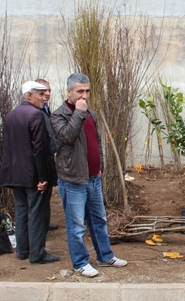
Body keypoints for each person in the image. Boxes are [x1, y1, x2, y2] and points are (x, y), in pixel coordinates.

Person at [50, 73, 127, 278]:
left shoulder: (90, 112)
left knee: (99, 220)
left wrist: (99, 164)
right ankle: (80, 263)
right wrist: (78, 113)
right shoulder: (59, 115)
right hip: (73, 179)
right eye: (80, 91)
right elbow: (66, 137)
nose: (84, 95)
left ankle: (105, 256)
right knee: (76, 225)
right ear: (69, 92)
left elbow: (96, 140)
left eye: (87, 91)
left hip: (93, 178)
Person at [0, 81, 59, 265]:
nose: (44, 97)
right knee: (37, 213)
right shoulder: (35, 115)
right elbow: (39, 150)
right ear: (29, 95)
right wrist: (42, 178)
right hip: (33, 175)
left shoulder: (11, 115)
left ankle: (22, 250)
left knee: (21, 211)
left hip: (15, 174)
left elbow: (7, 147)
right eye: (40, 94)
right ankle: (37, 253)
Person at [35, 79, 58, 231]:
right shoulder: (35, 112)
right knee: (40, 194)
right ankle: (39, 227)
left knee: (47, 192)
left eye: (49, 91)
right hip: (41, 157)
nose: (47, 94)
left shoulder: (46, 109)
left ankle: (44, 222)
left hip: (49, 156)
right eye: (43, 92)